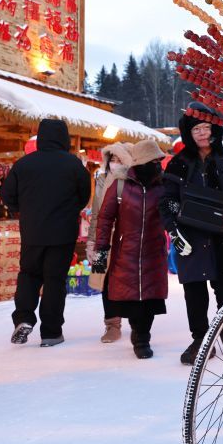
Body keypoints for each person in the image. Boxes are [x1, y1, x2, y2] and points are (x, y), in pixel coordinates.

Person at [160, 103, 223, 366]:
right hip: (190, 236)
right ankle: (201, 338)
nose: (202, 134)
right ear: (188, 133)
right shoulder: (179, 163)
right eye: (196, 129)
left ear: (215, 129)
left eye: (206, 128)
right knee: (194, 291)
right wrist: (173, 230)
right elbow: (167, 199)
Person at [2, 119, 90, 347]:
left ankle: (23, 318)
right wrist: (68, 211)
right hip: (62, 233)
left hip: (32, 232)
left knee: (29, 275)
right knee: (54, 281)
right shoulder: (73, 164)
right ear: (64, 137)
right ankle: (51, 332)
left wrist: (23, 210)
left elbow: (7, 195)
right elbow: (84, 196)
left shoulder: (24, 165)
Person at [92, 140, 168, 359]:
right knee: (133, 297)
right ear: (143, 161)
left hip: (154, 250)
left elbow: (172, 215)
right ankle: (137, 332)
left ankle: (143, 336)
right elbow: (105, 218)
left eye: (159, 160)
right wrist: (101, 249)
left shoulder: (163, 186)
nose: (158, 164)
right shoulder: (120, 184)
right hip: (126, 250)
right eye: (154, 160)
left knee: (152, 297)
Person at [86, 142, 133, 343]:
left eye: (118, 160)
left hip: (127, 238)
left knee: (128, 279)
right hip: (103, 238)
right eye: (111, 160)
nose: (114, 164)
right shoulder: (101, 179)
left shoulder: (134, 180)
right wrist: (91, 241)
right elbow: (96, 212)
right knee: (104, 280)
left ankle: (137, 322)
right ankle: (112, 325)